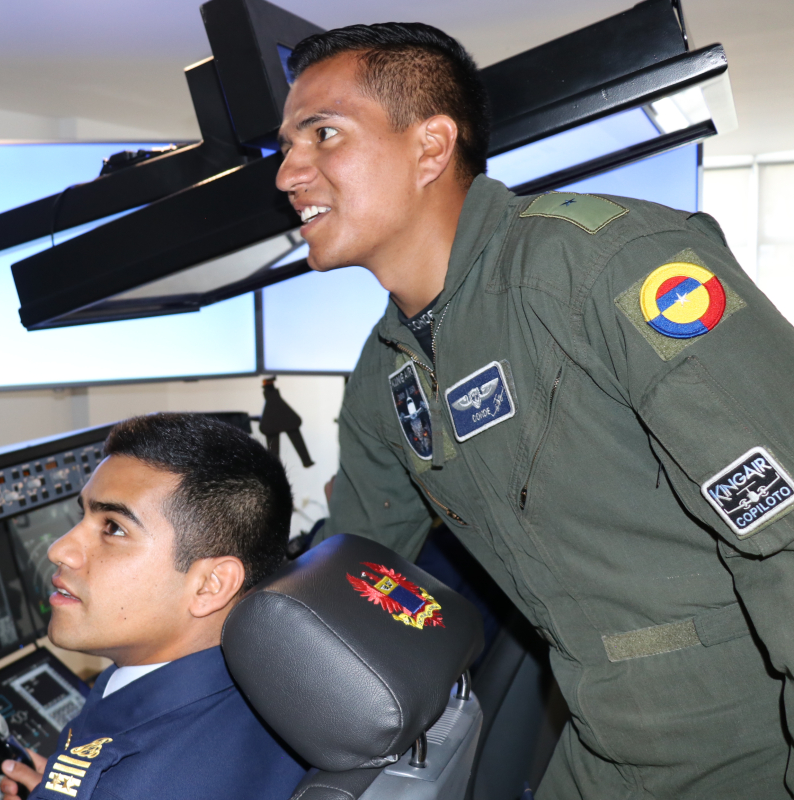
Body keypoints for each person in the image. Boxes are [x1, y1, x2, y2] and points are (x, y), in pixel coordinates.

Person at [276, 22, 794, 800]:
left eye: (323, 134)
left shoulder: (605, 266)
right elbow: (353, 568)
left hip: (748, 726)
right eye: (286, 147)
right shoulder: (387, 372)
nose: (288, 173)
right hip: (603, 729)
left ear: (430, 147)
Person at [0, 413, 306, 799]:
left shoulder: (120, 788)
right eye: (83, 515)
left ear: (210, 585)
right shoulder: (284, 682)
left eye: (114, 528)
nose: (59, 550)